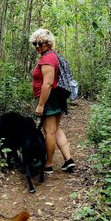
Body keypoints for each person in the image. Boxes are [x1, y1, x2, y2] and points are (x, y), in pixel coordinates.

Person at [29, 28, 75, 175]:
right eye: (34, 44)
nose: (37, 47)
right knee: (56, 129)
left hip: (49, 98)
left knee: (49, 131)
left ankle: (48, 165)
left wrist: (41, 105)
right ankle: (68, 160)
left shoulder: (48, 59)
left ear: (48, 44)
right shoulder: (52, 56)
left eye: (40, 44)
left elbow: (47, 84)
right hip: (55, 97)